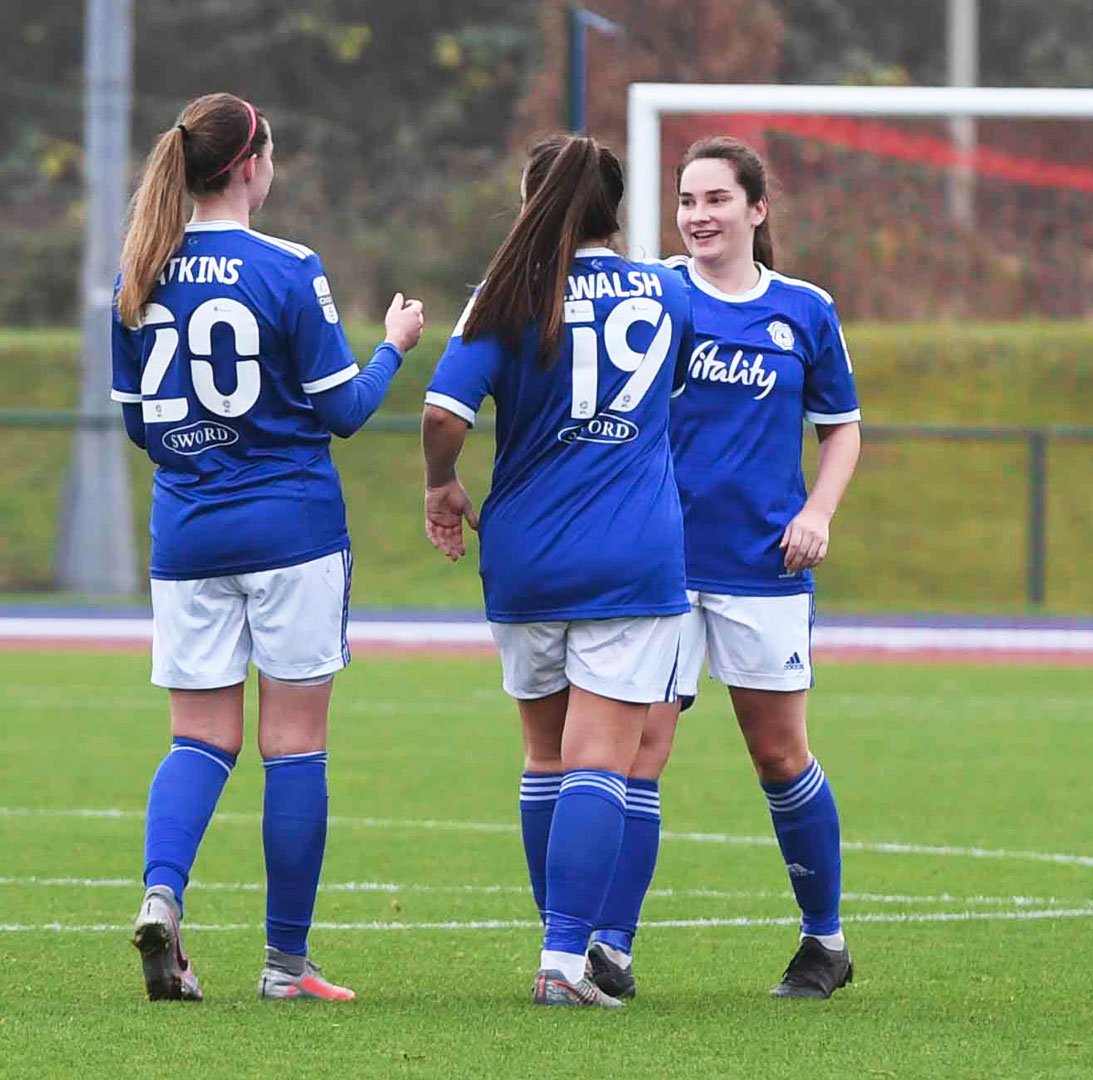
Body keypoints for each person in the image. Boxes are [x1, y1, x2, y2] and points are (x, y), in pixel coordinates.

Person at [112, 92, 425, 1002]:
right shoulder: (289, 266)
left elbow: (141, 429)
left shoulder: (137, 271)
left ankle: (163, 897)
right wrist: (394, 346)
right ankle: (286, 965)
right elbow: (346, 411)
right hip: (290, 533)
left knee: (200, 739)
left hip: (188, 536)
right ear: (251, 166)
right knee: (294, 746)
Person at [420, 133, 695, 1009]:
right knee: (601, 765)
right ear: (615, 211)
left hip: (528, 556)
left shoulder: (502, 296)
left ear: (533, 200)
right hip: (632, 553)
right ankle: (566, 961)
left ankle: (558, 948)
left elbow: (442, 414)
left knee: (546, 757)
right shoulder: (667, 291)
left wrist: (440, 487)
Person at [584, 135, 862, 1001]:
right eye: (685, 200)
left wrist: (817, 513)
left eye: (714, 199)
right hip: (663, 567)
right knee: (641, 753)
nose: (697, 216)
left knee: (779, 756)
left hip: (763, 567)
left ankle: (826, 942)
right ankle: (609, 950)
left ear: (756, 209)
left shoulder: (805, 310)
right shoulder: (657, 295)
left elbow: (843, 428)